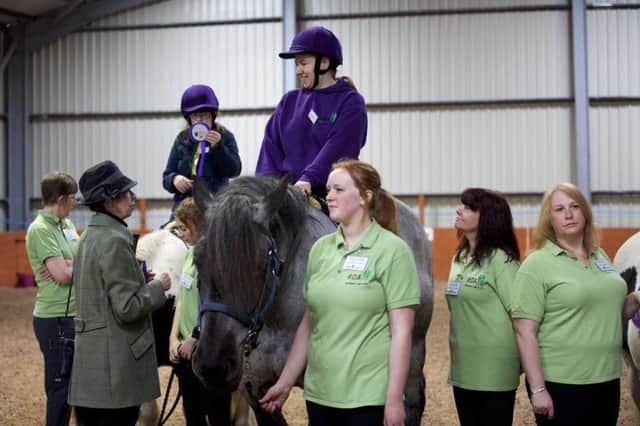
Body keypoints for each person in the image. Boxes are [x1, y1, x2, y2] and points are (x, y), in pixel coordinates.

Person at [259, 160, 419, 426]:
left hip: (368, 397)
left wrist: (393, 399)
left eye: (338, 190)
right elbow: (309, 325)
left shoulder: (393, 251)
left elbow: (402, 334)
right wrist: (286, 381)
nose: (329, 196)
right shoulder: (321, 250)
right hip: (319, 395)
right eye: (329, 189)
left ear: (365, 197)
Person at [511, 182, 640, 425]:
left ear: (585, 213)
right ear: (548, 219)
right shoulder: (537, 264)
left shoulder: (599, 256)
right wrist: (538, 390)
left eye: (574, 206)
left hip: (607, 379)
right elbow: (524, 331)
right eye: (559, 209)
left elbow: (614, 310)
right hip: (562, 384)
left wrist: (638, 298)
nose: (568, 214)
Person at [68, 160, 171, 426]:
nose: (132, 197)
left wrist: (138, 280)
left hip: (91, 366)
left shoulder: (88, 237)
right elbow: (128, 308)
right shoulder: (115, 241)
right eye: (125, 192)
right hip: (115, 368)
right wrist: (158, 286)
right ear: (109, 201)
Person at [255, 26, 368, 200]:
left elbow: (340, 147)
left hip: (330, 194)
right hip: (288, 195)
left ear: (324, 63)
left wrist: (309, 178)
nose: (298, 70)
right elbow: (270, 148)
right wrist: (266, 186)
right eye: (296, 64)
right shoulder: (288, 102)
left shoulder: (351, 102)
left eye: (303, 63)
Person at [446, 188, 521, 426]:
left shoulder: (502, 259)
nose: (459, 209)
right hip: (462, 367)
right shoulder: (458, 258)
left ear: (487, 217)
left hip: (495, 367)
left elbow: (519, 316)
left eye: (469, 207)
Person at [168, 197, 231, 426]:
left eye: (184, 228)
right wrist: (173, 337)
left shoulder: (217, 258)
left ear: (199, 224)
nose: (182, 234)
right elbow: (181, 300)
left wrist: (195, 337)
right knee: (192, 415)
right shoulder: (189, 254)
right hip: (185, 352)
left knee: (217, 416)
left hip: (209, 351)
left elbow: (218, 305)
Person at [26, 172, 80, 426]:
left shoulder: (66, 226)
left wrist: (71, 265)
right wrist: (70, 267)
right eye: (72, 198)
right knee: (60, 389)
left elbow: (76, 264)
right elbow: (63, 276)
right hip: (55, 318)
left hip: (72, 315)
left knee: (72, 387)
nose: (75, 203)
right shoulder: (40, 229)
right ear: (60, 199)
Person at [163, 84, 241, 212]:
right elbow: (167, 176)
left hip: (215, 208)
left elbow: (235, 171)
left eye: (204, 115)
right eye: (195, 116)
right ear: (189, 119)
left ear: (213, 115)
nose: (199, 120)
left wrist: (218, 147)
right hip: (185, 208)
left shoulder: (225, 137)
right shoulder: (182, 139)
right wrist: (174, 179)